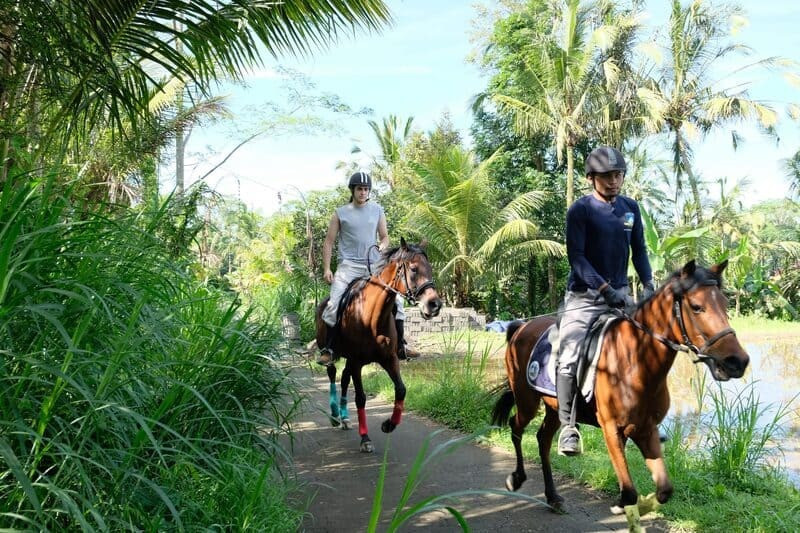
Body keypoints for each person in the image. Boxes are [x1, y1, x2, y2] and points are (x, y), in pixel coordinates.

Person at [556, 146, 654, 456]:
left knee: (650, 348)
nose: (614, 181)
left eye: (618, 175)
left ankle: (645, 421)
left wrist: (649, 283)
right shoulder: (580, 210)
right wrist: (604, 290)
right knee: (569, 352)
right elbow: (578, 258)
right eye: (607, 177)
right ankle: (568, 427)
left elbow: (639, 251)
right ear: (591, 178)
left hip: (623, 296)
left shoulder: (630, 208)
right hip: (585, 297)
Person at [316, 171, 413, 365]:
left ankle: (401, 346)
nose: (363, 192)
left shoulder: (377, 210)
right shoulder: (340, 213)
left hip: (373, 266)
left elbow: (384, 236)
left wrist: (383, 245)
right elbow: (328, 242)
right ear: (353, 190)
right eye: (360, 189)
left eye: (366, 189)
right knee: (333, 305)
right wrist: (327, 269)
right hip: (348, 267)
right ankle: (330, 349)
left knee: (398, 304)